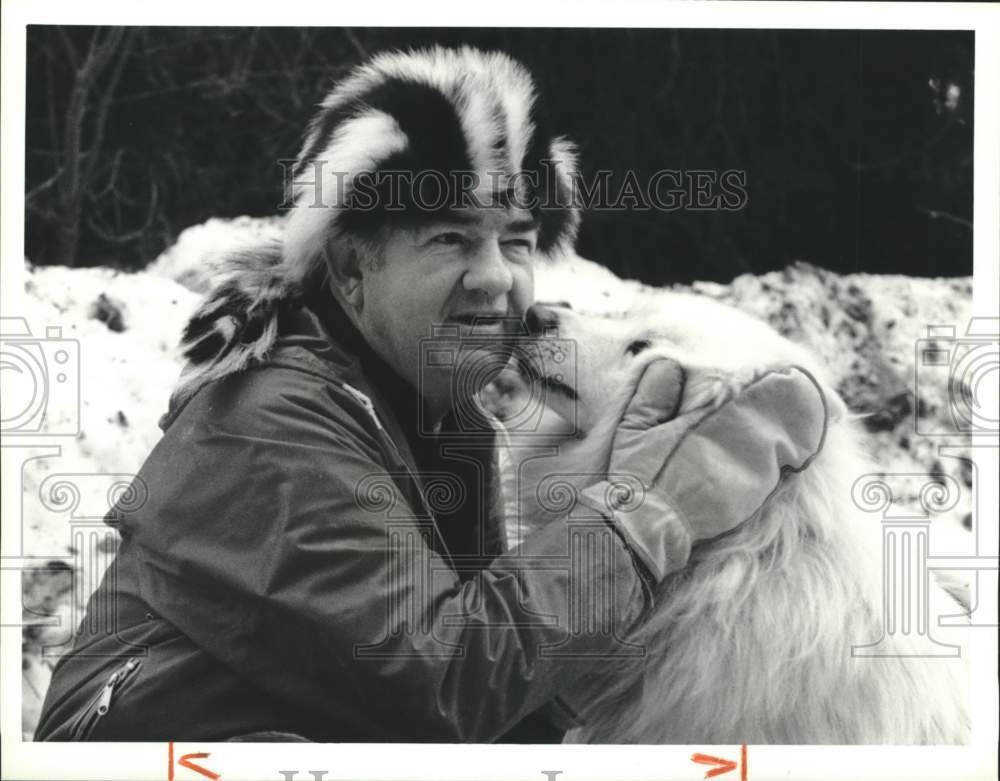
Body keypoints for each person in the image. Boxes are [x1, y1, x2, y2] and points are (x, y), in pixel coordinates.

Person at [35, 46, 829, 743]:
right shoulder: (271, 420)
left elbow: (469, 712)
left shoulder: (434, 413)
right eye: (449, 237)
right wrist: (645, 512)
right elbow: (441, 685)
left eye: (516, 240)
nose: (494, 277)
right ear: (349, 267)